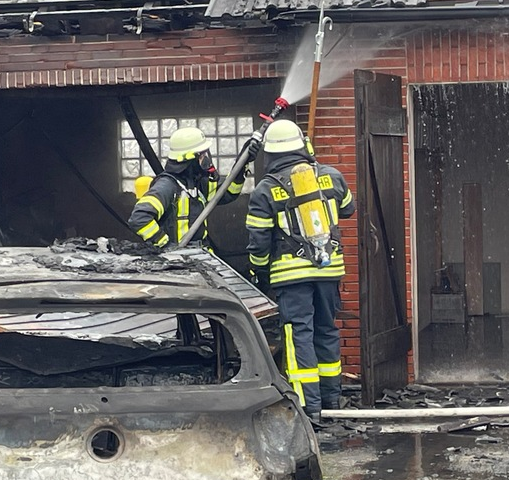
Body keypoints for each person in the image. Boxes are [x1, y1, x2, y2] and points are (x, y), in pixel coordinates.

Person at [245, 119, 355, 420]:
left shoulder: (265, 191)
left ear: (269, 154)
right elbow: (348, 208)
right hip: (329, 270)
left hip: (291, 278)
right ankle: (332, 402)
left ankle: (308, 408)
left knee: (298, 337)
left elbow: (258, 242)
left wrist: (259, 273)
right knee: (327, 330)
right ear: (302, 146)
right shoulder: (332, 177)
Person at [128, 126, 258, 249]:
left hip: (200, 254)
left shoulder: (197, 183)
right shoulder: (167, 186)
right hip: (179, 263)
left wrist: (241, 165)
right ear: (190, 158)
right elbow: (139, 218)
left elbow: (229, 193)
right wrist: (164, 244)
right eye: (201, 155)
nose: (205, 158)